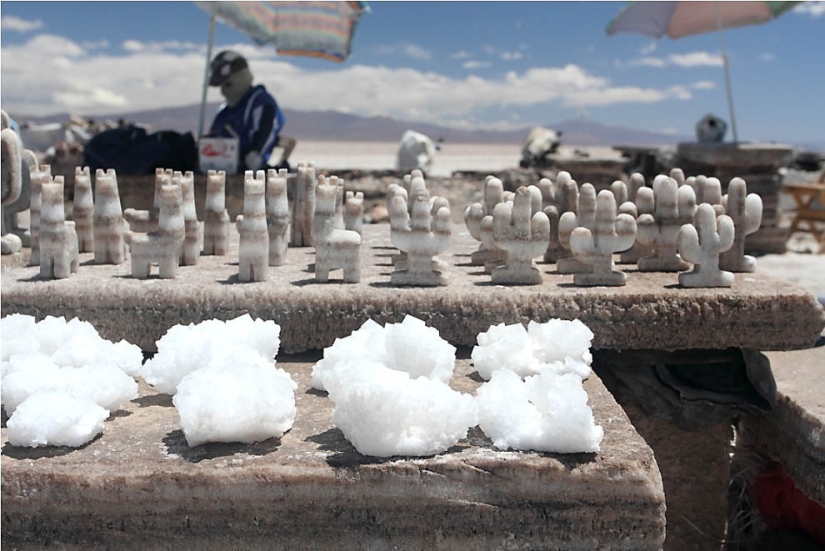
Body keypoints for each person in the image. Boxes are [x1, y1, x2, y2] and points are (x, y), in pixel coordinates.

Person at [207, 50, 296, 172]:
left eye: (227, 84)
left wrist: (251, 157)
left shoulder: (261, 104)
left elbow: (256, 154)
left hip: (247, 172)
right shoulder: (225, 111)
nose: (224, 91)